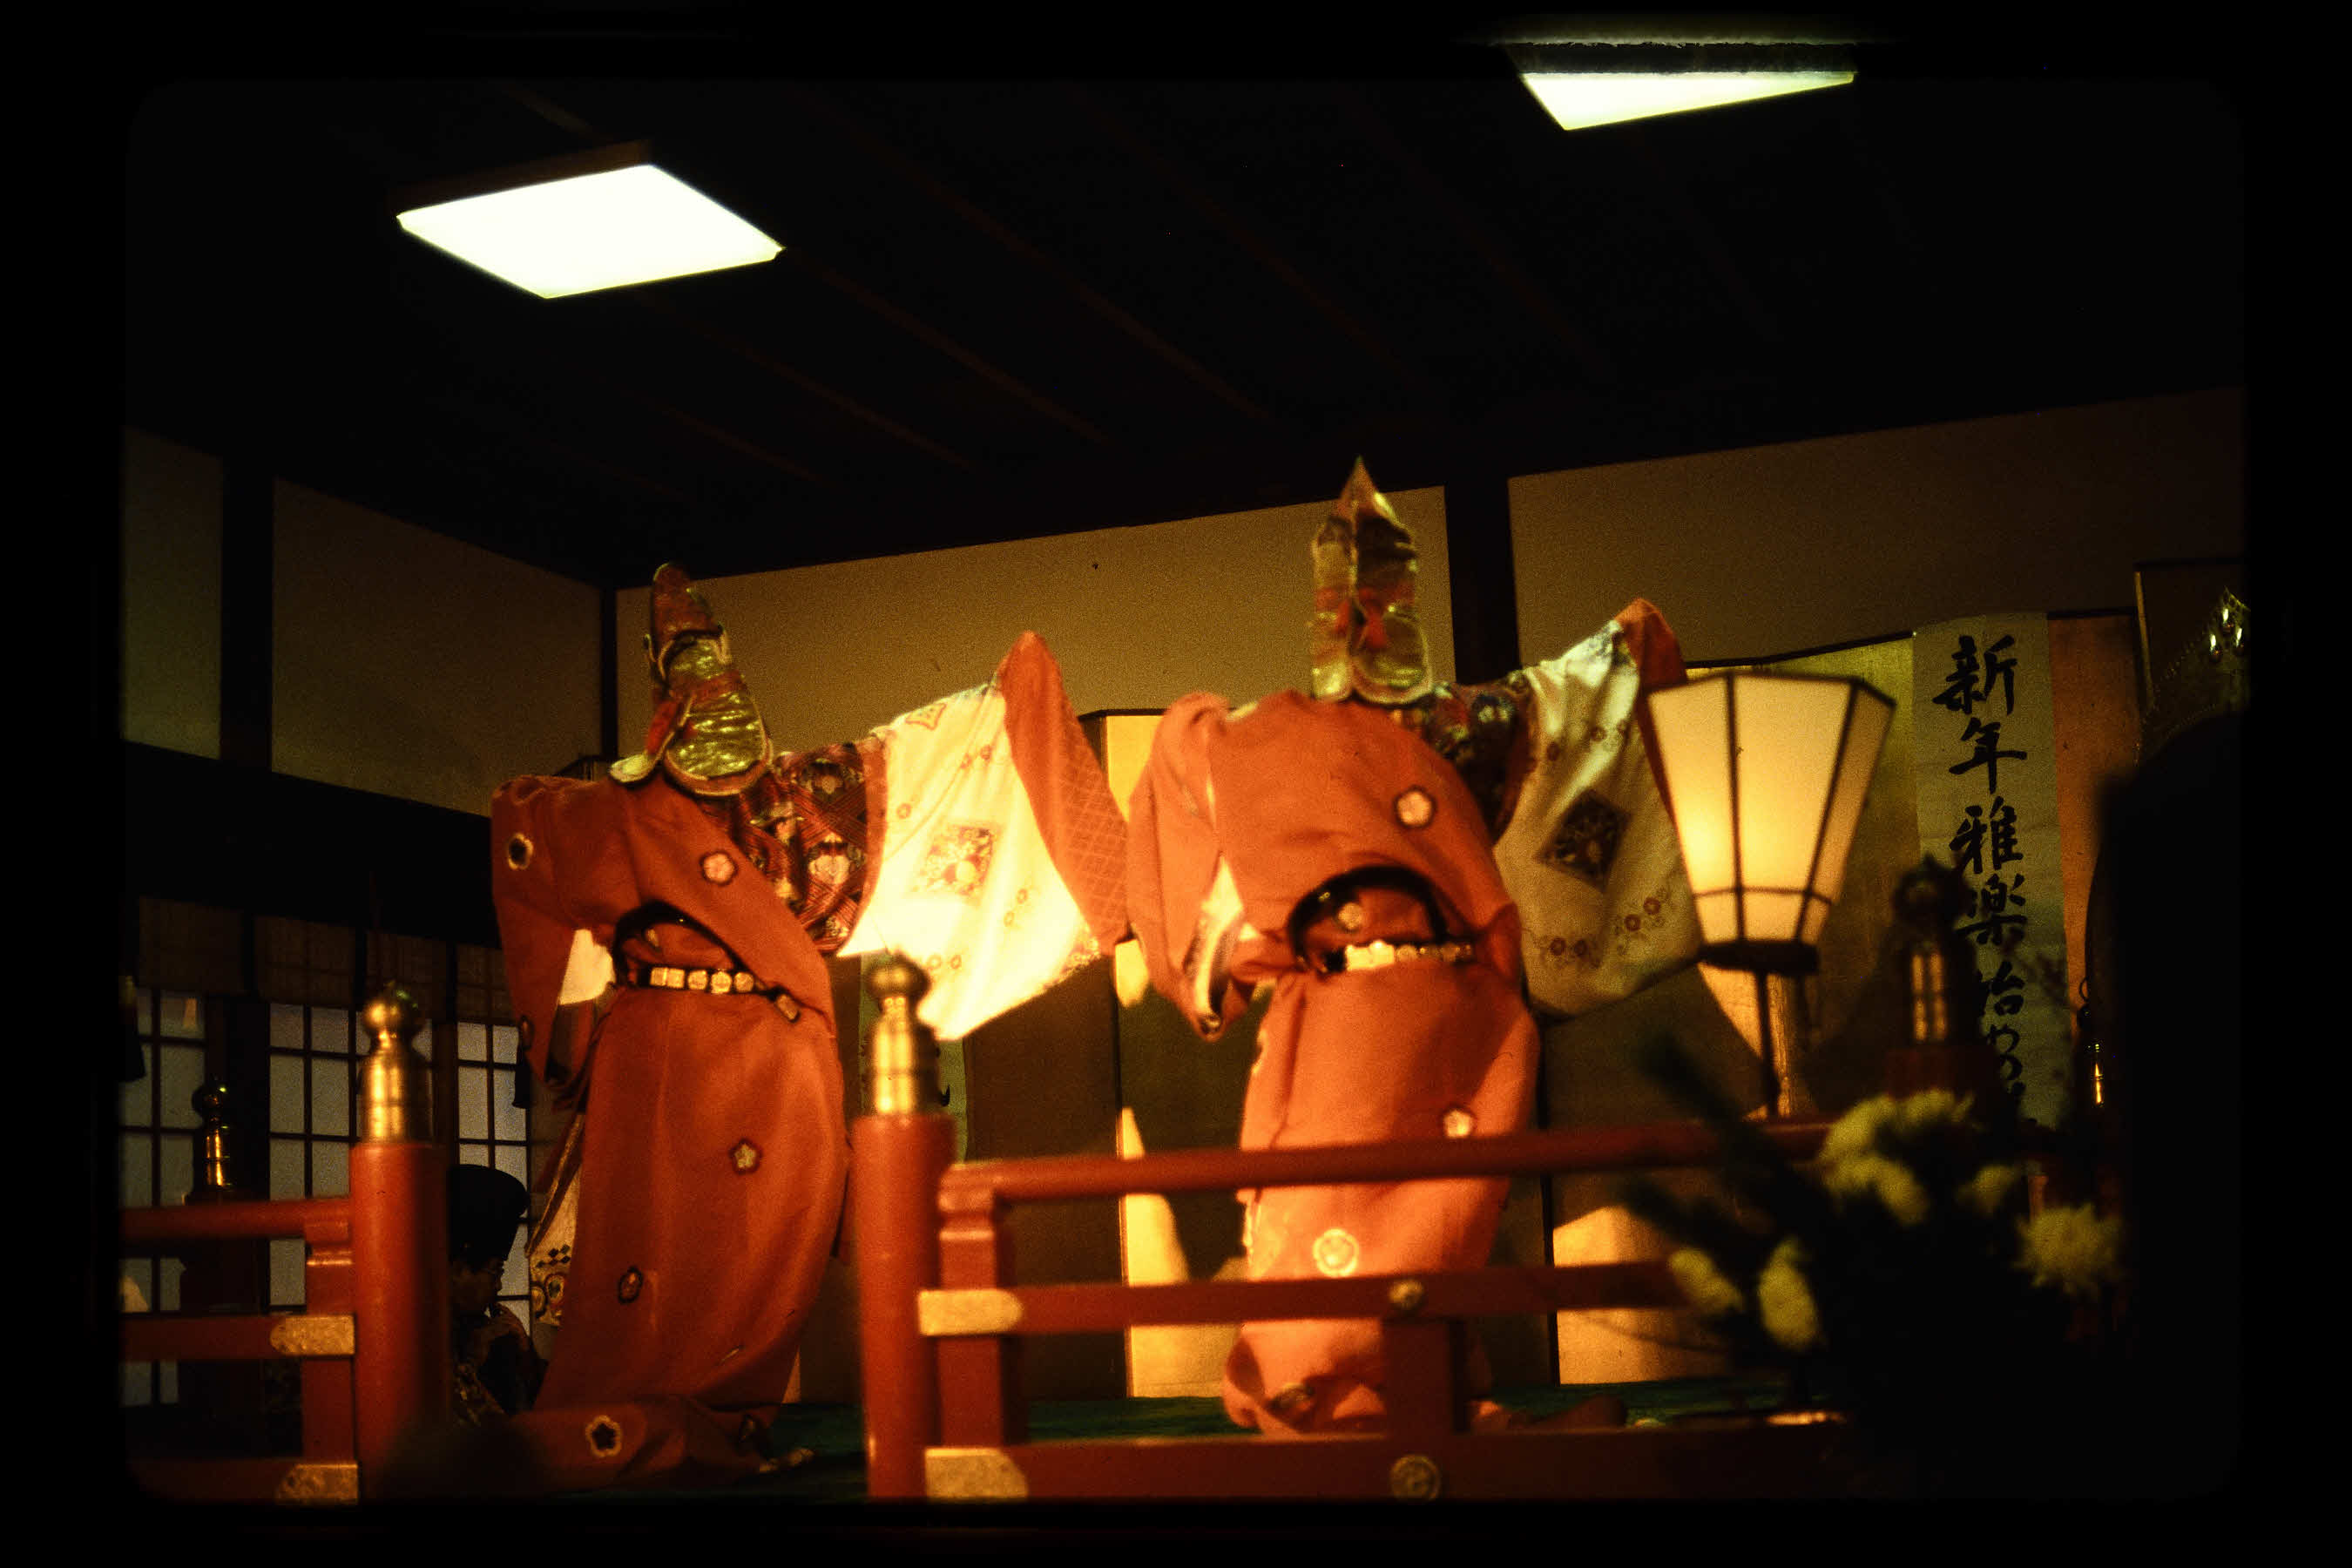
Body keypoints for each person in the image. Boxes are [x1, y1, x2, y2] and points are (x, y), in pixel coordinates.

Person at [490, 564, 1125, 1485]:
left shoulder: (781, 791)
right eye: (688, 662)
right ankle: (647, 1423)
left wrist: (1016, 702)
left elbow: (927, 772)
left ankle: (729, 1421)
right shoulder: (625, 811)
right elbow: (926, 770)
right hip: (681, 1050)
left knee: (760, 1248)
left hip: (750, 1046)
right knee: (658, 1245)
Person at [1125, 462, 1694, 1433]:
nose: (1363, 626)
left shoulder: (1275, 733)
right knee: (1369, 1210)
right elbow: (1597, 686)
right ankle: (1363, 1396)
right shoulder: (1460, 719)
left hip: (1408, 1008)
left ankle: (1391, 1396)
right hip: (1403, 1006)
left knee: (1415, 1215)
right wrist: (1633, 648)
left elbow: (1185, 753)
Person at [446, 1162, 543, 1425]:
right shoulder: (426, 1330)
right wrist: (471, 1360)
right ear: (458, 1271)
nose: (499, 1286)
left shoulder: (485, 1328)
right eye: (494, 1272)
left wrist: (524, 1353)